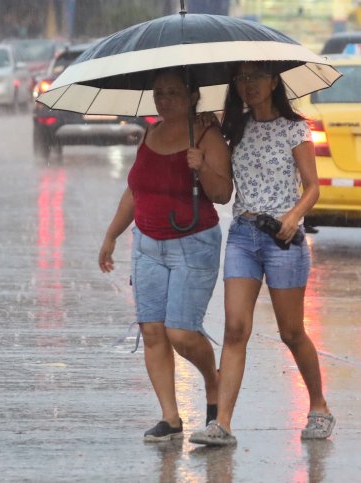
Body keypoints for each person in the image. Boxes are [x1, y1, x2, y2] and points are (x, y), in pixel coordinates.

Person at [190, 61, 333, 447]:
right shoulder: (234, 128)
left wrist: (293, 216)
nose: (248, 85)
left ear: (274, 82)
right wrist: (200, 151)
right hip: (242, 236)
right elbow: (221, 184)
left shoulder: (295, 128)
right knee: (235, 329)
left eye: (256, 77)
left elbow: (313, 187)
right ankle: (222, 423)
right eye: (241, 79)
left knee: (291, 332)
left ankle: (318, 406)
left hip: (283, 240)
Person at [97, 69, 233, 443]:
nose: (164, 99)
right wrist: (112, 234)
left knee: (181, 333)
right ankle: (171, 419)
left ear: (193, 97)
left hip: (194, 244)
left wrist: (201, 165)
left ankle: (213, 383)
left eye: (173, 92)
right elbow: (134, 190)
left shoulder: (207, 134)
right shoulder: (151, 133)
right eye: (158, 93)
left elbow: (222, 194)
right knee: (153, 330)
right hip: (147, 245)